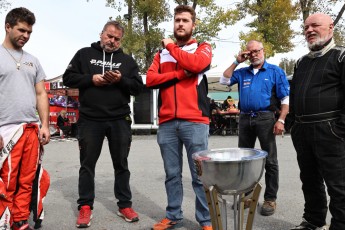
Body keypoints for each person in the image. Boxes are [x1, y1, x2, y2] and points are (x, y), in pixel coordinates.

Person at [62, 20, 143, 228]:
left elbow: (137, 87)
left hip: (119, 119)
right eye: (109, 36)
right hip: (90, 119)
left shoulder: (127, 60)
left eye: (116, 38)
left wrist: (120, 80)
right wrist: (92, 79)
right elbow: (68, 78)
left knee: (121, 164)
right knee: (87, 165)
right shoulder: (84, 54)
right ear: (101, 34)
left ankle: (124, 204)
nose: (112, 41)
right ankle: (85, 206)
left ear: (121, 40)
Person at [146, 5, 213, 230]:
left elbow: (196, 65)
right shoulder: (160, 54)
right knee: (172, 174)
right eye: (177, 20)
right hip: (166, 122)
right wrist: (179, 75)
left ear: (193, 25)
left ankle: (205, 220)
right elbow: (150, 79)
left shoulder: (202, 47)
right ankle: (173, 215)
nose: (180, 24)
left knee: (199, 175)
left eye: (185, 20)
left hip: (195, 121)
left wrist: (172, 47)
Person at [219, 40, 289, 216]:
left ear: (263, 51)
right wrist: (237, 61)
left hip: (266, 118)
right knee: (245, 160)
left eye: (257, 51)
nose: (254, 55)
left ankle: (270, 199)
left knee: (270, 160)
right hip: (245, 118)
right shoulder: (242, 72)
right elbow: (224, 79)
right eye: (250, 53)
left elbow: (285, 99)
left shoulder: (275, 71)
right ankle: (248, 197)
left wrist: (281, 120)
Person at [289, 13, 345, 230]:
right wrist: (293, 124)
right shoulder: (301, 62)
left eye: (315, 25)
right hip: (302, 130)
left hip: (331, 130)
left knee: (338, 185)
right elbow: (294, 95)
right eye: (306, 27)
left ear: (331, 27)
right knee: (310, 181)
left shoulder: (341, 56)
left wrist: (340, 128)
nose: (309, 30)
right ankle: (313, 221)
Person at [0, 7, 50, 230]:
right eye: (21, 30)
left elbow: (41, 93)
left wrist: (45, 125)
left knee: (28, 179)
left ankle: (20, 220)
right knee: (7, 180)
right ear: (7, 27)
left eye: (29, 32)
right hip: (7, 129)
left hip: (31, 128)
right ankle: (5, 220)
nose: (26, 35)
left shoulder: (33, 60)